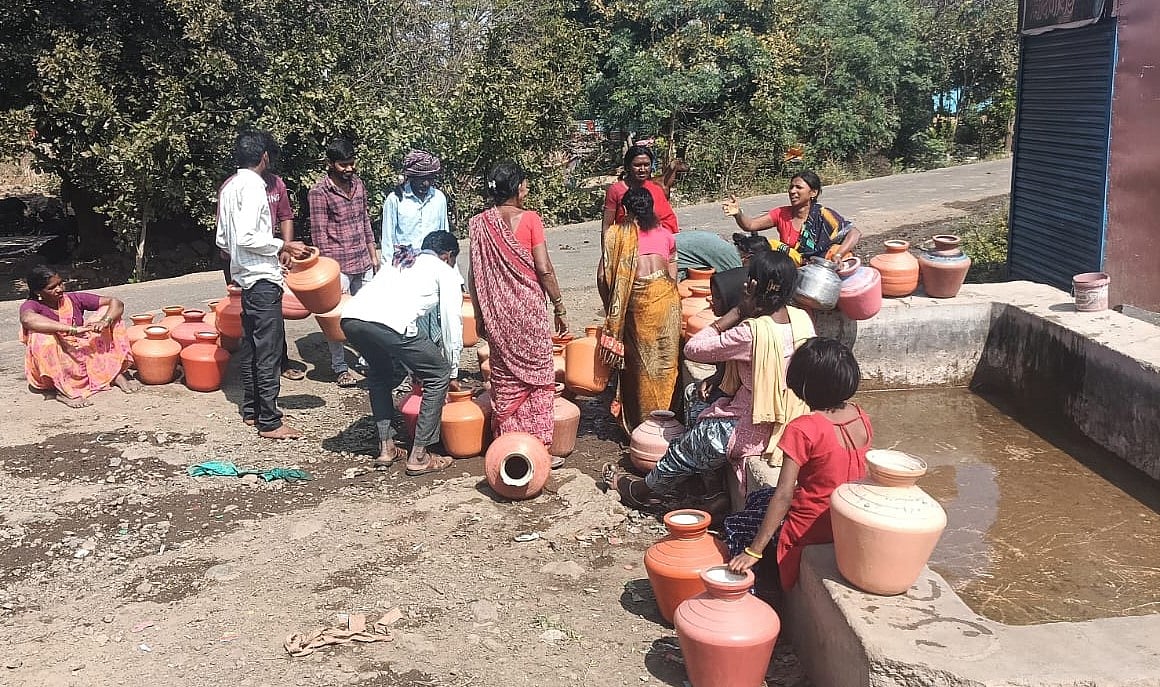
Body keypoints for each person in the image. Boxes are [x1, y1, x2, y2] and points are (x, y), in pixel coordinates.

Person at [603, 251, 815, 509]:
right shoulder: (802, 320)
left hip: (753, 429)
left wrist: (738, 310)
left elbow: (693, 348)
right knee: (695, 394)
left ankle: (642, 489)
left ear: (753, 286)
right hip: (790, 420)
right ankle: (713, 491)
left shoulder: (751, 332)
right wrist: (718, 376)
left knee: (684, 447)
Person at [724, 337, 871, 593]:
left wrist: (753, 551)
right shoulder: (860, 416)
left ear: (804, 386)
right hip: (843, 519)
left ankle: (752, 593)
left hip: (812, 528)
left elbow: (783, 495)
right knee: (760, 498)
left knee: (736, 526)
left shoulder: (804, 428)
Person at [467, 162, 570, 466]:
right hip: (530, 312)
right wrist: (560, 306)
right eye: (524, 184)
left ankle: (507, 445)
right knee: (539, 379)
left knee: (505, 378)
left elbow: (475, 275)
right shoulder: (531, 220)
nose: (526, 190)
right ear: (518, 187)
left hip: (497, 313)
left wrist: (479, 313)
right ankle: (539, 450)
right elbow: (544, 268)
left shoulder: (479, 224)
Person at [340, 231, 464, 475]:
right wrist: (452, 370)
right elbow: (452, 323)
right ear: (448, 256)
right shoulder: (444, 271)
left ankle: (386, 448)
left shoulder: (400, 260)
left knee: (380, 373)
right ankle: (420, 455)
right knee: (437, 374)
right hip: (388, 323)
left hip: (351, 318)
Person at [216, 130, 310, 439]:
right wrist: (283, 246)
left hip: (244, 278)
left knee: (252, 346)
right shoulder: (254, 187)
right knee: (268, 349)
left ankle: (251, 410)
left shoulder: (230, 188)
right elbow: (245, 236)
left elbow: (224, 239)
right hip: (261, 278)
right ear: (264, 156)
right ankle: (270, 421)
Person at [597, 187, 681, 434]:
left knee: (641, 366)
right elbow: (673, 270)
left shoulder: (616, 235)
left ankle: (644, 425)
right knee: (667, 364)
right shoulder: (666, 234)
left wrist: (613, 307)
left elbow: (603, 276)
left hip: (638, 303)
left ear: (625, 210)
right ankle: (668, 423)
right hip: (668, 301)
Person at [219, 165, 305, 381]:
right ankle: (265, 403)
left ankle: (276, 366)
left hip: (270, 257)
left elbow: (286, 216)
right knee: (256, 325)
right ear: (263, 156)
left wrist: (284, 247)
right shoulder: (238, 187)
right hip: (253, 266)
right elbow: (236, 237)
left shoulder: (276, 183)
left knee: (270, 322)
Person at [308, 137, 380, 387]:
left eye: (351, 163)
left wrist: (373, 253)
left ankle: (367, 360)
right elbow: (319, 235)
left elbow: (365, 221)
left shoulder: (358, 185)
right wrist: (326, 272)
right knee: (336, 318)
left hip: (362, 258)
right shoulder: (319, 193)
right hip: (337, 264)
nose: (349, 169)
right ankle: (340, 367)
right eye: (343, 165)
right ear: (330, 164)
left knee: (367, 315)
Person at [19, 265, 138, 407]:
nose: (60, 289)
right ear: (38, 292)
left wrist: (104, 322)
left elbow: (116, 303)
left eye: (60, 283)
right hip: (58, 358)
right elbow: (27, 319)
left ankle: (112, 372)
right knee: (41, 336)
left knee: (109, 312)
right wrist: (72, 330)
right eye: (52, 288)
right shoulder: (32, 305)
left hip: (81, 349)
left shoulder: (72, 299)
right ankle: (63, 391)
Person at [723, 170, 862, 266]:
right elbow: (751, 225)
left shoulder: (823, 214)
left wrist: (838, 255)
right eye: (791, 187)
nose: (792, 191)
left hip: (821, 270)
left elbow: (854, 232)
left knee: (842, 254)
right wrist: (738, 214)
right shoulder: (781, 213)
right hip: (792, 269)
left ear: (813, 193)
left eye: (798, 187)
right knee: (769, 245)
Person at [601, 145, 679, 245]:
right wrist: (606, 254)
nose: (642, 169)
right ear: (628, 166)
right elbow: (607, 226)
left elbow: (669, 220)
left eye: (646, 165)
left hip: (656, 246)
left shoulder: (656, 189)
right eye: (637, 165)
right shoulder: (616, 190)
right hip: (627, 246)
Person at [382, 149, 449, 251]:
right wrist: (387, 266)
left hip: (433, 262)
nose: (426, 183)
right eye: (422, 178)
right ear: (412, 177)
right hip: (405, 264)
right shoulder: (395, 199)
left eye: (430, 178)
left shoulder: (439, 198)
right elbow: (388, 240)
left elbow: (444, 234)